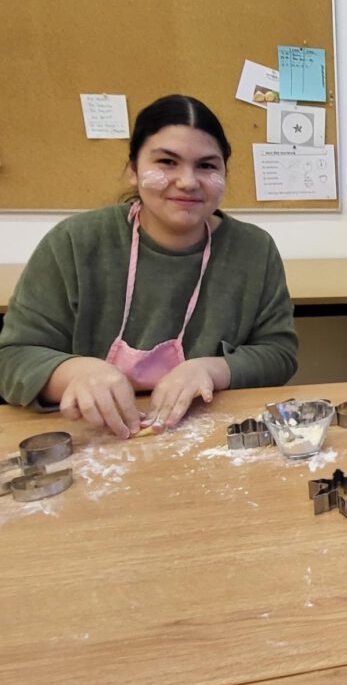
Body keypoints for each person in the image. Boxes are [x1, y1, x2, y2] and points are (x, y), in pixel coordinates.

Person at [0, 94, 298, 438]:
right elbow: (12, 357)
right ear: (133, 170)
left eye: (207, 166)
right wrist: (73, 372)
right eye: (167, 162)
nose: (188, 181)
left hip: (207, 435)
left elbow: (279, 354)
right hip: (91, 439)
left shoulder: (254, 250)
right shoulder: (76, 242)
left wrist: (212, 369)